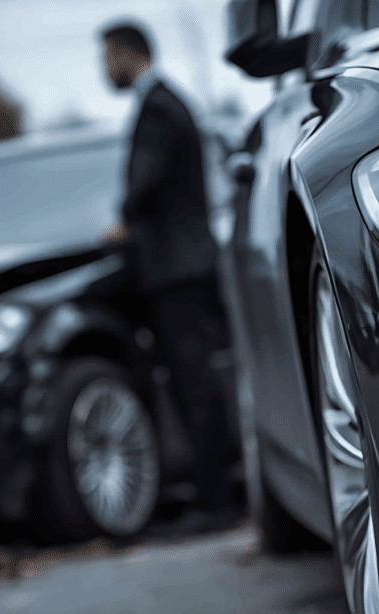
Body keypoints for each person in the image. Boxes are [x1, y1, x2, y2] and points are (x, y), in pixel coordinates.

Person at [100, 22, 240, 530]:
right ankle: (217, 495)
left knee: (195, 383)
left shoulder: (158, 107)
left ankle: (218, 503)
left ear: (127, 54)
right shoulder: (165, 102)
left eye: (107, 57)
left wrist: (122, 221)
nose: (104, 69)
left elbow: (145, 182)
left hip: (178, 272)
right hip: (184, 268)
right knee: (195, 381)